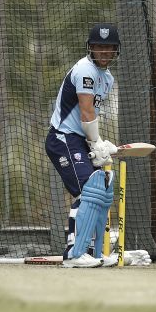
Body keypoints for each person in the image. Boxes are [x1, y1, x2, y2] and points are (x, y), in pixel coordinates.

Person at [46, 23, 120, 268]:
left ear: (115, 51)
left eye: (109, 48)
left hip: (77, 139)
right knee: (89, 189)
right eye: (99, 47)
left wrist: (96, 143)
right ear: (91, 48)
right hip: (62, 137)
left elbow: (90, 115)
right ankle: (74, 254)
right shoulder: (86, 70)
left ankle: (93, 252)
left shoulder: (106, 78)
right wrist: (96, 143)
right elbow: (86, 112)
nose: (104, 52)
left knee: (101, 190)